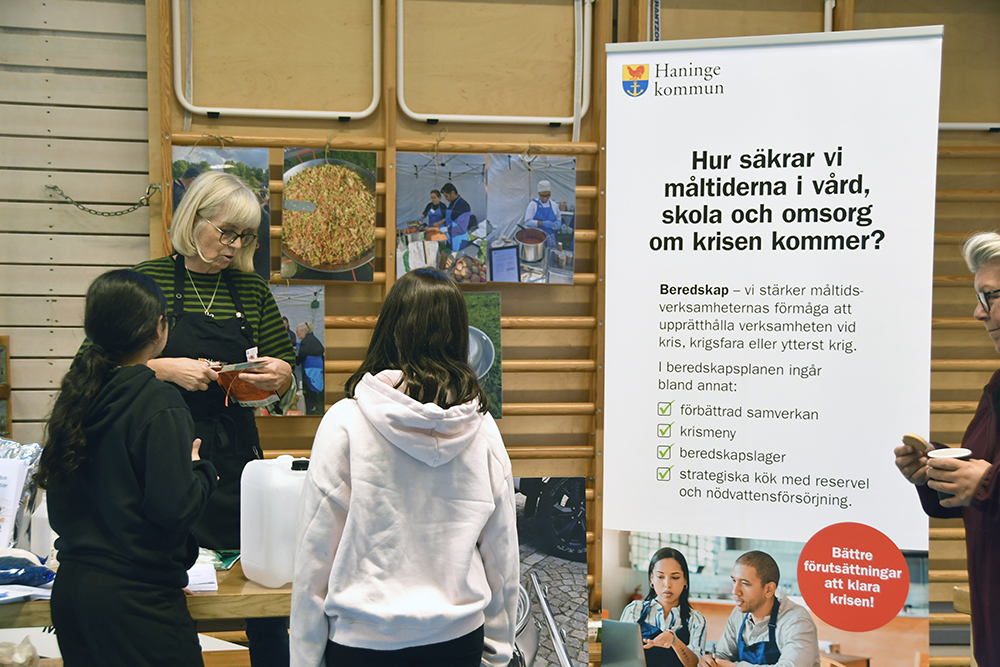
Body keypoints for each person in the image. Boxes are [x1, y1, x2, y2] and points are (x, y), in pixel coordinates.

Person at [290, 267, 519, 667]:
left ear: (389, 327)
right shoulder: (482, 428)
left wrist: (305, 659)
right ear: (458, 335)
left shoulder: (346, 421)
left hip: (363, 643)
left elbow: (314, 554)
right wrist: (499, 654)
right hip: (458, 640)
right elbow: (503, 554)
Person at [129, 171, 296, 666]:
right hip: (163, 459)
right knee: (171, 593)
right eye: (226, 232)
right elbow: (97, 371)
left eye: (245, 237)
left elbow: (286, 377)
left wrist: (280, 379)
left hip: (238, 462)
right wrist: (160, 368)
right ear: (193, 217)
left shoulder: (251, 291)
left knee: (263, 595)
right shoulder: (147, 281)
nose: (234, 246)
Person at [41, 269, 217, 667]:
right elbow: (173, 509)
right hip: (136, 603)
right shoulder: (158, 402)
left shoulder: (77, 394)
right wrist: (200, 471)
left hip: (73, 593)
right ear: (160, 327)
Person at [894, 231, 1000, 666]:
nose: (978, 313)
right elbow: (977, 486)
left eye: (989, 296)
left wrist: (988, 482)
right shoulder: (996, 388)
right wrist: (936, 469)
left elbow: (989, 481)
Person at [698, 551, 819, 667]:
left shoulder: (797, 621)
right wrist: (710, 662)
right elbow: (722, 656)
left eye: (745, 583)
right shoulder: (739, 614)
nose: (735, 591)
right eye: (734, 581)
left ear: (769, 590)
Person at [620, 547, 706, 667]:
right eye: (660, 577)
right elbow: (620, 655)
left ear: (685, 579)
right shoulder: (635, 610)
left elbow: (696, 664)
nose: (667, 585)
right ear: (652, 578)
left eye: (675, 577)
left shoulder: (695, 620)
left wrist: (674, 640)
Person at [295, 322, 325, 415]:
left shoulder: (305, 342)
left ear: (303, 331)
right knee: (315, 387)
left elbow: (302, 356)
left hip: (311, 368)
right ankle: (316, 406)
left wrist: (294, 361)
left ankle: (311, 408)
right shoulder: (313, 339)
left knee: (310, 389)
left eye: (298, 332)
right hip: (319, 366)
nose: (297, 334)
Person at [523, 180, 562, 249]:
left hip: (551, 237)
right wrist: (542, 223)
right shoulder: (533, 205)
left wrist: (558, 222)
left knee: (550, 255)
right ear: (539, 194)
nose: (545, 198)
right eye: (542, 196)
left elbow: (558, 216)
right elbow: (527, 221)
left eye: (547, 196)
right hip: (536, 237)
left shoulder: (553, 205)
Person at [437, 182, 472, 252]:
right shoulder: (452, 203)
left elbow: (462, 228)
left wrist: (447, 229)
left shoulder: (463, 206)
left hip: (459, 240)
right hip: (451, 238)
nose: (446, 198)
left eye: (446, 196)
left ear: (452, 192)